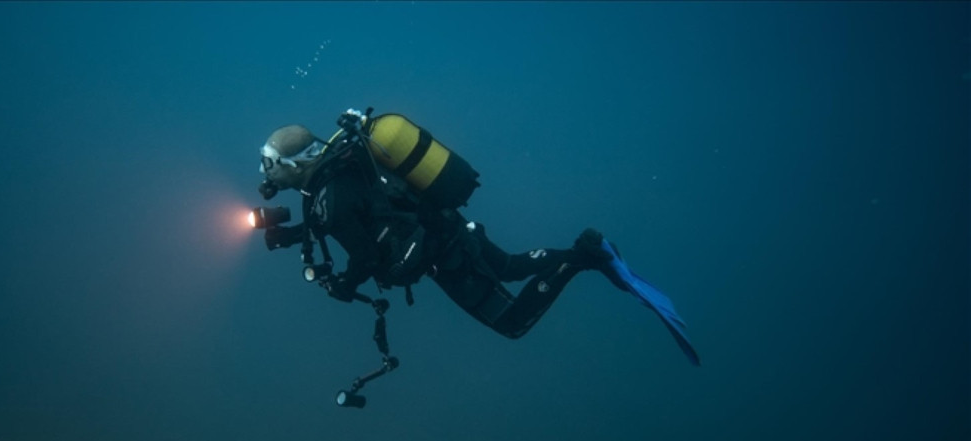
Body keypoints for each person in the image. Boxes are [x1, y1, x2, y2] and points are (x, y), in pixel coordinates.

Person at [256, 112, 700, 366]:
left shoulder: (329, 197)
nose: (265, 172)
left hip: (443, 255)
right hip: (447, 226)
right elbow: (356, 217)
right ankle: (586, 251)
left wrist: (344, 285)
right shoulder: (342, 171)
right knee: (509, 266)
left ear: (297, 163)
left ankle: (583, 258)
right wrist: (291, 236)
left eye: (270, 162)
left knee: (512, 324)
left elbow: (366, 256)